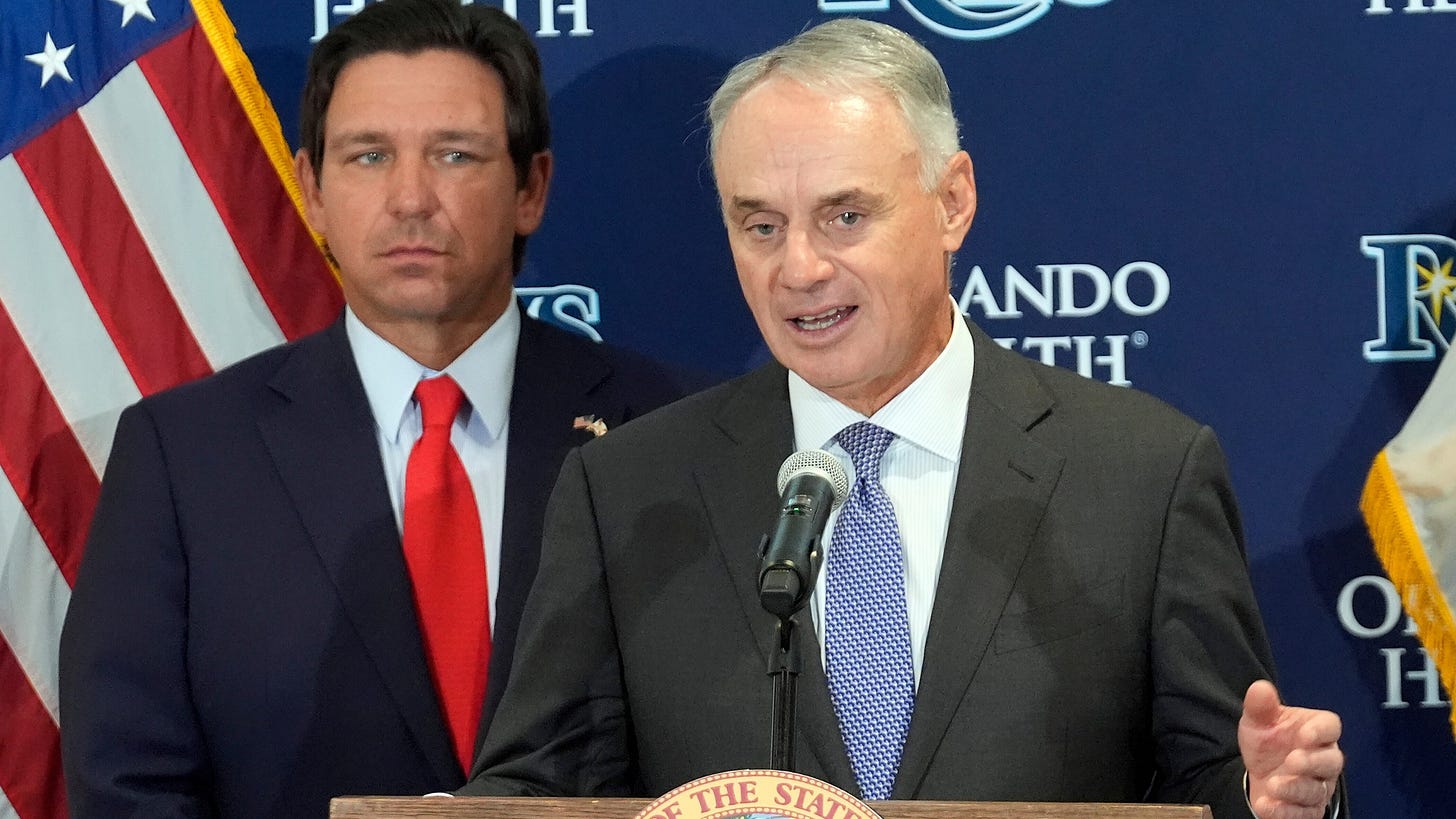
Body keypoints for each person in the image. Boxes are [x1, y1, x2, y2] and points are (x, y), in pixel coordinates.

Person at [460, 18, 1345, 819]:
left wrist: (1261, 795)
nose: (798, 268)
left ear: (951, 201)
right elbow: (539, 790)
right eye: (759, 225)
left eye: (845, 216)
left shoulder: (1143, 474)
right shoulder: (630, 491)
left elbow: (1209, 781)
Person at [58, 1, 687, 816]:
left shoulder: (672, 426)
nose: (411, 198)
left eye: (455, 154)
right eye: (368, 156)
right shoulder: (183, 458)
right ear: (312, 190)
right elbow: (127, 787)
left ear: (531, 187)